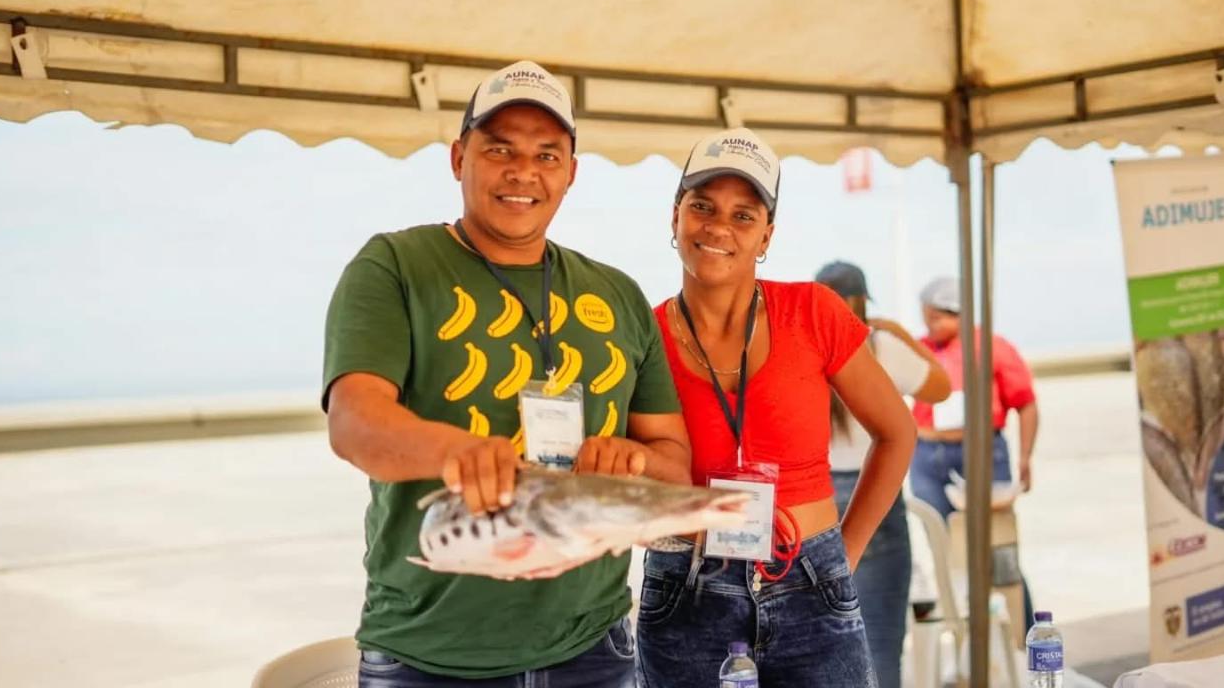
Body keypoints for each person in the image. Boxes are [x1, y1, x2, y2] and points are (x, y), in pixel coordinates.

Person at [322, 60, 693, 687]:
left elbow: (674, 466)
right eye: (500, 149)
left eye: (548, 155)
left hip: (596, 648)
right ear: (458, 157)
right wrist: (462, 454)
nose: (524, 172)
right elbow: (354, 423)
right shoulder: (395, 264)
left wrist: (627, 459)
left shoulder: (620, 294)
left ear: (571, 173)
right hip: (428, 651)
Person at [634, 128, 917, 688]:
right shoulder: (642, 334)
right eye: (703, 207)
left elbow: (897, 433)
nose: (719, 227)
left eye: (744, 215)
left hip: (811, 582)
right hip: (685, 589)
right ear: (675, 217)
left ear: (766, 236)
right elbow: (621, 467)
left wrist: (842, 555)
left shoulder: (813, 312)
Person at [816, 261, 950, 688]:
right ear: (862, 301)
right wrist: (900, 331)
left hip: (816, 499)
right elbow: (942, 387)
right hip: (877, 490)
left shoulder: (807, 346)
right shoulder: (882, 346)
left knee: (820, 637)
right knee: (882, 634)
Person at [911, 275, 1040, 630]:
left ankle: (1018, 631)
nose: (930, 325)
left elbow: (1026, 403)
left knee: (995, 548)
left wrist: (1025, 457)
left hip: (980, 453)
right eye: (926, 317)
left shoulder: (992, 347)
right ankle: (965, 633)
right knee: (947, 549)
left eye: (937, 317)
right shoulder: (919, 350)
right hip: (926, 456)